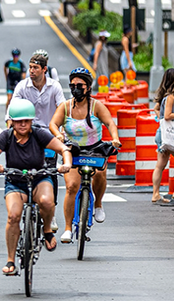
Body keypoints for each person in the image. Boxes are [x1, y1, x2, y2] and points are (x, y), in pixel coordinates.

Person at [0, 99, 72, 275]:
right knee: (13, 216)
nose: (22, 124)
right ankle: (10, 261)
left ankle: (47, 230)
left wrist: (66, 163)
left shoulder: (39, 134)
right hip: (15, 181)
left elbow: (63, 149)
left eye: (26, 120)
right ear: (12, 122)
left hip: (39, 178)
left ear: (32, 121)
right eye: (18, 121)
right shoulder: (6, 136)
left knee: (47, 201)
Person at [50, 67, 121, 243]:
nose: (76, 88)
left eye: (79, 85)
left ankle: (98, 204)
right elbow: (53, 123)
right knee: (72, 186)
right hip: (72, 150)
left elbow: (110, 123)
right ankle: (67, 228)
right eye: (72, 85)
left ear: (88, 87)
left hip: (95, 149)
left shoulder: (97, 106)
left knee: (100, 175)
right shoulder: (65, 107)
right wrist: (58, 134)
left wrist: (115, 139)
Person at [150, 69, 174, 203]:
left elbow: (157, 109)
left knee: (160, 165)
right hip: (168, 135)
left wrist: (159, 118)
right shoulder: (170, 98)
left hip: (161, 133)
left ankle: (156, 194)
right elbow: (167, 116)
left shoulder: (164, 96)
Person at [7, 50, 65, 129]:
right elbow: (13, 106)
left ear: (44, 69)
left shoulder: (55, 86)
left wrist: (61, 129)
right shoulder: (22, 86)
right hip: (29, 131)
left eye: (35, 68)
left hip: (50, 131)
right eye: (30, 67)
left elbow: (62, 107)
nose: (31, 71)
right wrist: (9, 120)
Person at [4, 49, 27, 114]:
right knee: (9, 99)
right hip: (10, 81)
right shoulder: (9, 62)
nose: (15, 58)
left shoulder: (21, 63)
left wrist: (22, 82)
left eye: (16, 56)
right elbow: (5, 67)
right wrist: (6, 77)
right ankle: (7, 114)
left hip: (18, 82)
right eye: (14, 56)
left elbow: (24, 73)